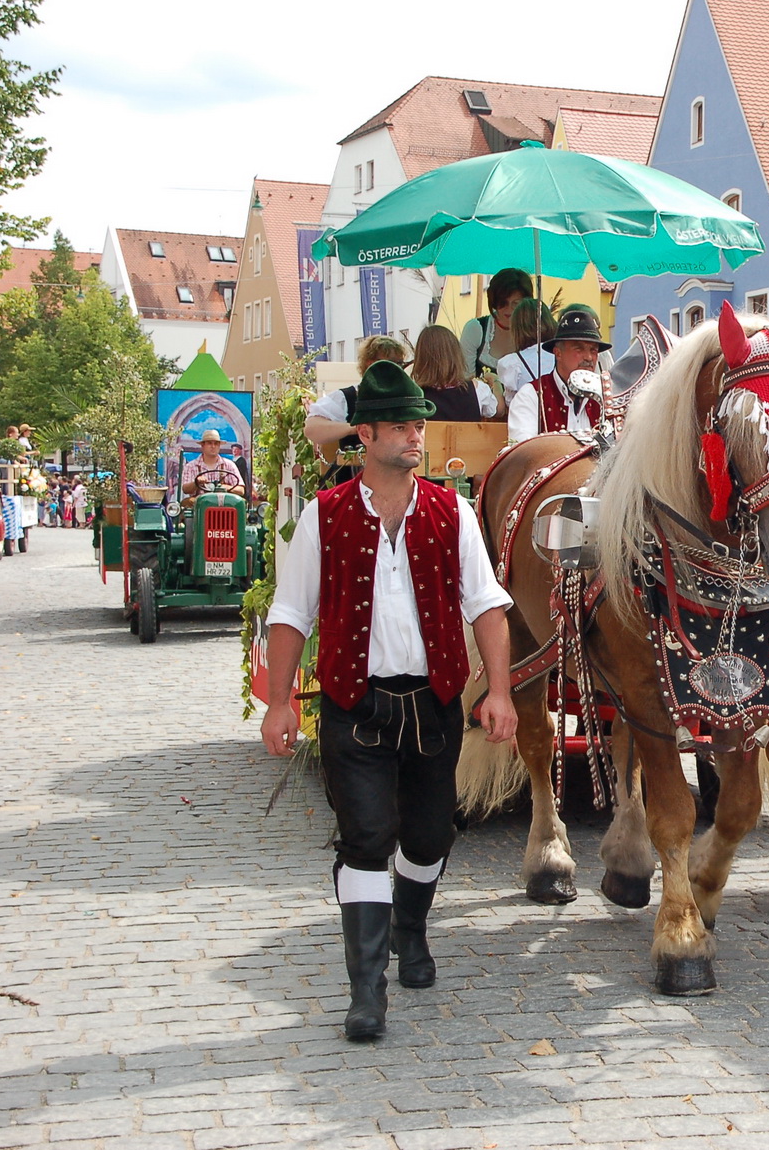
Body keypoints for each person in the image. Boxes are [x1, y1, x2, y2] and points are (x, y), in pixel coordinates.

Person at [261, 360, 519, 1042]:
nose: (415, 434)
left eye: (418, 423)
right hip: (358, 706)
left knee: (431, 834)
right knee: (367, 839)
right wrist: (280, 700)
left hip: (432, 705)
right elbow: (291, 613)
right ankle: (366, 988)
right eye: (401, 424)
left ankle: (411, 923)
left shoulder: (451, 510)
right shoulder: (325, 517)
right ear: (366, 434)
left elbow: (487, 605)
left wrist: (498, 690)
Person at [305, 336, 410, 485]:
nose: (396, 370)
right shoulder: (347, 397)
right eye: (390, 363)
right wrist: (354, 428)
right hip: (352, 487)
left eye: (400, 364)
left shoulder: (408, 399)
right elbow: (312, 430)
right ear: (370, 364)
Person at [508, 305, 607, 444]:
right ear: (558, 353)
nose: (589, 357)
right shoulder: (531, 395)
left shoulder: (605, 398)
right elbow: (523, 454)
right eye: (579, 349)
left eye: (593, 350)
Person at [411, 325, 498, 422]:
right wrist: (496, 381)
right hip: (469, 437)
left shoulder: (413, 396)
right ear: (456, 355)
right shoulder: (478, 389)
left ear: (420, 358)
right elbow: (494, 410)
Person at [460, 268, 533, 383]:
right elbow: (466, 381)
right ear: (493, 301)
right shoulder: (475, 330)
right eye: (502, 303)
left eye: (516, 304)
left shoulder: (536, 334)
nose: (509, 310)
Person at [494, 300, 557, 406]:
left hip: (529, 420)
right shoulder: (562, 355)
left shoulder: (512, 363)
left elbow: (511, 404)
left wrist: (495, 382)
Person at [180, 430, 244, 497]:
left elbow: (241, 490)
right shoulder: (190, 466)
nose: (213, 446)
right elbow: (185, 489)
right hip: (200, 505)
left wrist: (223, 487)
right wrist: (196, 483)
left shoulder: (230, 465)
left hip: (224, 505)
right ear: (202, 445)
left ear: (219, 446)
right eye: (209, 443)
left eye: (216, 443)